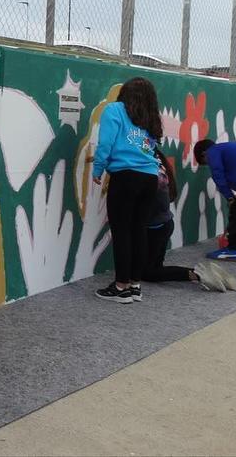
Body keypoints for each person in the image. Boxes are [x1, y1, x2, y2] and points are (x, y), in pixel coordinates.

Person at [92, 77, 163, 304]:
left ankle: (120, 286)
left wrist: (98, 168)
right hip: (150, 178)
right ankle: (134, 285)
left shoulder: (114, 110)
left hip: (125, 176)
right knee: (138, 230)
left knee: (122, 232)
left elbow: (106, 143)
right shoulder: (150, 117)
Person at [142, 149, 236, 292]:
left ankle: (197, 274)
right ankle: (205, 273)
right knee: (154, 268)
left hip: (155, 228)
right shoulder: (160, 169)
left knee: (148, 273)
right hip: (165, 224)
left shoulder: (148, 174)